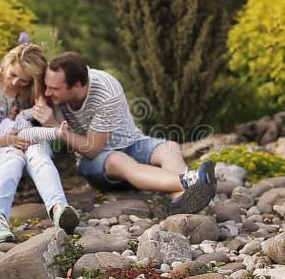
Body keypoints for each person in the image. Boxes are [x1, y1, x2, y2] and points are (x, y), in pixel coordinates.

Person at [31, 52, 216, 214]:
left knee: (169, 148)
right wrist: (53, 123)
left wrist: (55, 126)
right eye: (47, 86)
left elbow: (92, 146)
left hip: (131, 143)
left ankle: (181, 199)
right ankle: (190, 180)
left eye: (54, 88)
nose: (47, 93)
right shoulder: (50, 91)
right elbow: (93, 153)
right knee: (118, 159)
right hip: (96, 163)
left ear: (77, 85)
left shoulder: (105, 92)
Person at [0, 43, 79, 245]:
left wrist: (46, 113)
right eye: (12, 74)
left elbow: (57, 125)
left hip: (29, 141)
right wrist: (2, 140)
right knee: (12, 157)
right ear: (6, 64)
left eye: (24, 80)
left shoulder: (37, 88)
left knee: (39, 153)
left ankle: (59, 210)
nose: (16, 82)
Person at [0, 85, 69, 143]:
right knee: (32, 132)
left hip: (17, 125)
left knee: (22, 114)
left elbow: (6, 120)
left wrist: (12, 115)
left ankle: (39, 109)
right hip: (15, 136)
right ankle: (57, 133)